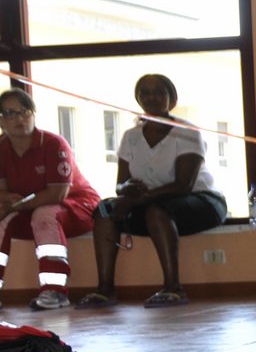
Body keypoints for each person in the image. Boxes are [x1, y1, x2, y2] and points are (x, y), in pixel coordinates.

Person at [76, 74, 229, 309]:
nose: (152, 97)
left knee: (157, 211)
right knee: (104, 211)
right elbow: (121, 184)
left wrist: (139, 200)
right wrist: (127, 190)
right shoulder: (131, 137)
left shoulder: (186, 131)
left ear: (172, 99)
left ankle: (173, 288)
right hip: (147, 204)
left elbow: (183, 185)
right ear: (138, 99)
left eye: (159, 92)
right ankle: (105, 290)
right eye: (145, 93)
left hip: (202, 201)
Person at [0, 87, 100, 310]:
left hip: (77, 207)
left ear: (34, 114)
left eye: (25, 111)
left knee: (44, 214)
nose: (19, 118)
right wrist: (7, 201)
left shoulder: (54, 144)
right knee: (3, 219)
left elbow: (57, 194)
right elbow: (2, 192)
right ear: (1, 121)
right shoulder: (2, 147)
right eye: (10, 113)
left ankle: (55, 291)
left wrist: (15, 203)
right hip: (30, 209)